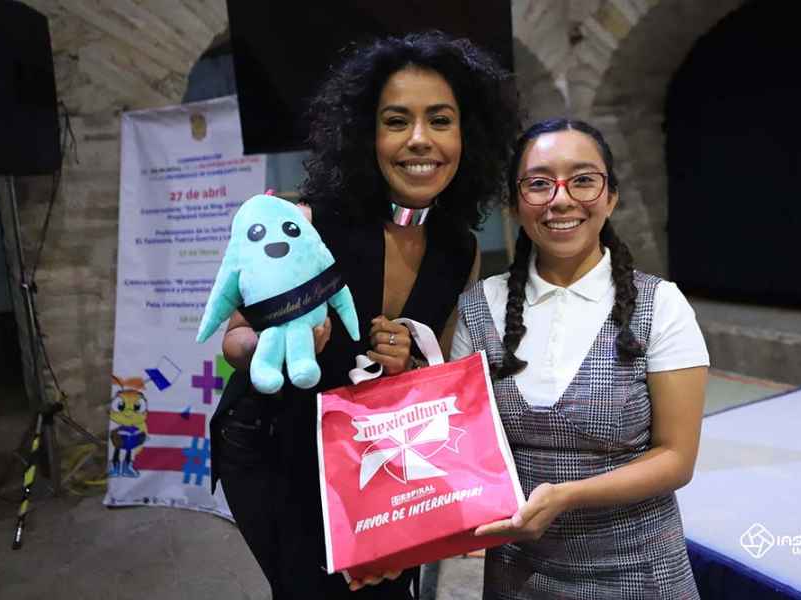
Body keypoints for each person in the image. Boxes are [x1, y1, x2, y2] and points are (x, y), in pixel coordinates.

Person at [210, 31, 519, 599]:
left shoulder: (460, 250)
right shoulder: (304, 222)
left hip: (380, 460)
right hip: (275, 447)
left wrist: (407, 362)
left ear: (467, 135)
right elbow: (234, 340)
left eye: (440, 120)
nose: (420, 139)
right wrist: (276, 342)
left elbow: (433, 376)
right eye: (397, 121)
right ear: (365, 134)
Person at [453, 118, 709, 599]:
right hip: (517, 575)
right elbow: (460, 444)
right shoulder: (478, 306)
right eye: (539, 183)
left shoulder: (661, 305)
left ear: (610, 197)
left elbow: (676, 458)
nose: (561, 199)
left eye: (584, 180)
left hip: (638, 573)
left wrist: (567, 496)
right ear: (513, 204)